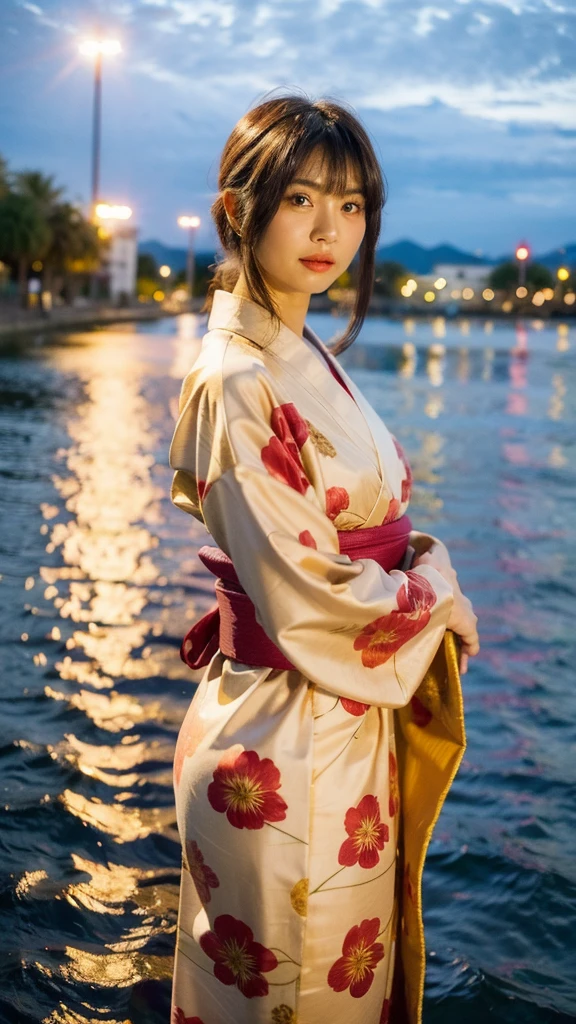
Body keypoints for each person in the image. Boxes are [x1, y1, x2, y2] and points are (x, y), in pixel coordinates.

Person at [168, 92, 479, 1024]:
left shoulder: (302, 354)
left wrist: (429, 570)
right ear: (237, 212)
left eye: (351, 206)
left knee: (337, 977)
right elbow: (306, 586)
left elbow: (373, 528)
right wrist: (438, 601)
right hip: (281, 737)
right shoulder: (235, 378)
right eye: (302, 199)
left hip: (341, 726)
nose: (329, 230)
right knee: (289, 990)